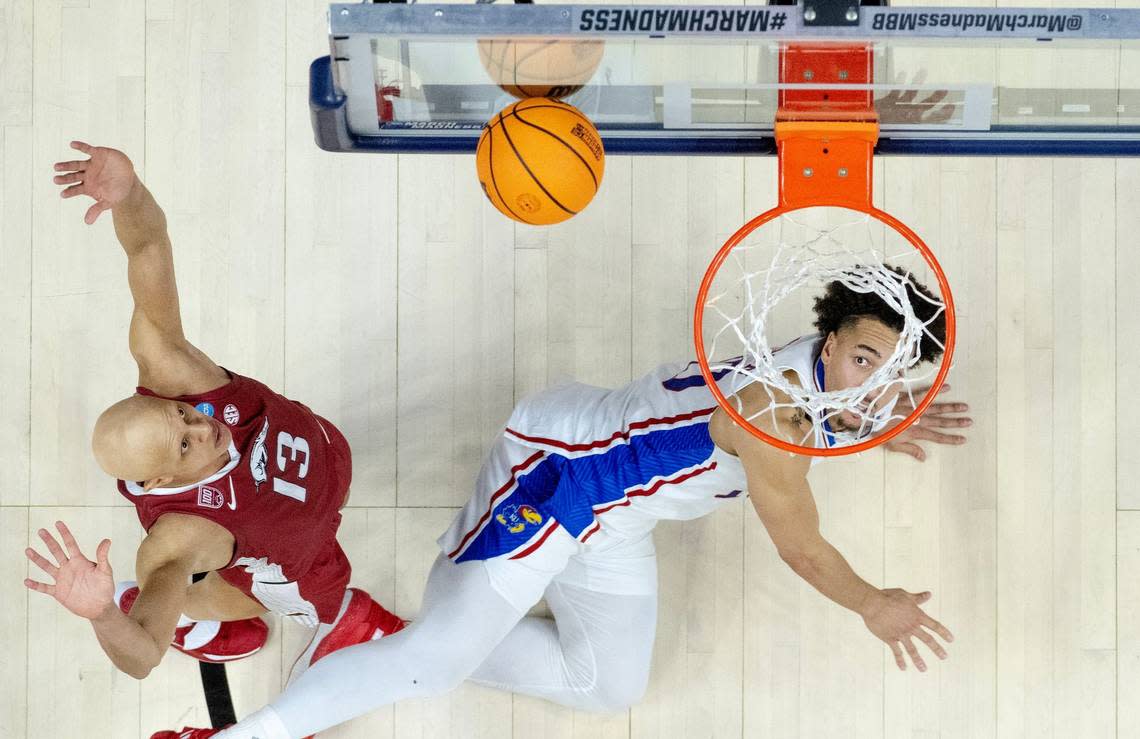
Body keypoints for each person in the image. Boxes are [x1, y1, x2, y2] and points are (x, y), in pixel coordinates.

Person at [154, 244, 970, 739]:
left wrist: (879, 421)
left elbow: (847, 401)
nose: (877, 383)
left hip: (614, 517)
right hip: (558, 475)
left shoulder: (832, 381)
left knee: (606, 684)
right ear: (830, 340)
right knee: (435, 666)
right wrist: (871, 602)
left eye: (897, 373)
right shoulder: (775, 418)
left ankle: (392, 634)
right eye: (866, 359)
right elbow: (803, 546)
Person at [23, 142, 405, 694]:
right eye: (184, 447)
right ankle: (206, 615)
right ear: (159, 482)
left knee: (321, 480)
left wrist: (128, 193)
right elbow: (141, 656)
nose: (204, 427)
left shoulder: (174, 367)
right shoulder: (180, 535)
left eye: (181, 414)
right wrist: (104, 614)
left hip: (325, 452)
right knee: (245, 595)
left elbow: (148, 247)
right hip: (300, 558)